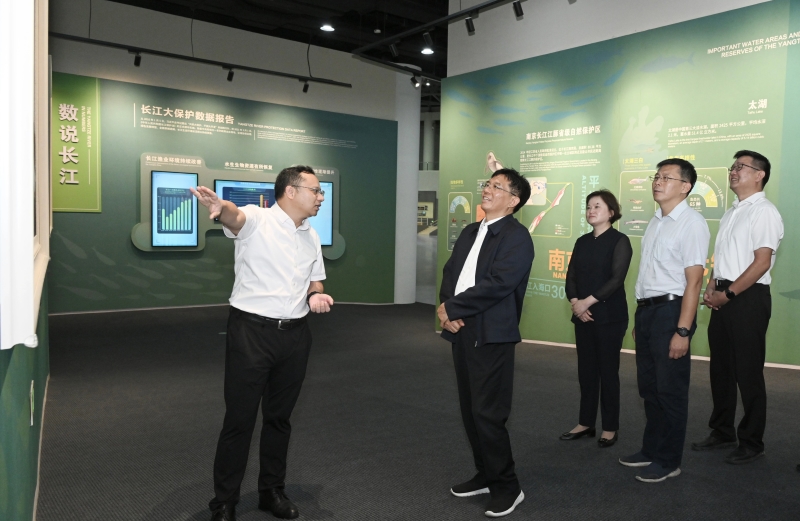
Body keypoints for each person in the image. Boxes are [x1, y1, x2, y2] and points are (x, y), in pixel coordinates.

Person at [190, 166, 334, 521]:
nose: (320, 197)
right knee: (239, 420)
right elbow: (234, 216)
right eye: (315, 190)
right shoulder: (258, 219)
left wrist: (316, 294)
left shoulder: (311, 235)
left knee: (279, 419)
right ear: (290, 191)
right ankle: (224, 502)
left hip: (295, 336)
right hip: (251, 334)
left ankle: (272, 491)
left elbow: (315, 280)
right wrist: (221, 208)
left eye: (321, 192)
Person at [438, 168, 533, 518]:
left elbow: (499, 283)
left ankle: (507, 486)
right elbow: (451, 273)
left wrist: (453, 307)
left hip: (491, 334)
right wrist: (447, 308)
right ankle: (486, 474)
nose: (488, 189)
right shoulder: (470, 231)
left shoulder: (517, 237)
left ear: (513, 200)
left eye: (497, 186)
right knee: (469, 409)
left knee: (488, 413)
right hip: (462, 329)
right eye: (488, 184)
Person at [618, 158, 709, 483]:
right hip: (648, 313)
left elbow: (693, 283)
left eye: (667, 177)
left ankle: (669, 460)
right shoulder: (656, 221)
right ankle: (651, 449)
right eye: (656, 176)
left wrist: (682, 331)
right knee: (649, 388)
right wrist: (641, 317)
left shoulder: (692, 223)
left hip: (672, 313)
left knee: (670, 390)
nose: (658, 182)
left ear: (685, 187)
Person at [692, 150, 783, 464]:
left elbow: (761, 263)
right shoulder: (732, 212)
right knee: (721, 368)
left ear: (759, 175)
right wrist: (712, 285)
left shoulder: (764, 211)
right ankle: (722, 431)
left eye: (740, 167)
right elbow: (724, 258)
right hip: (724, 292)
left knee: (748, 371)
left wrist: (727, 294)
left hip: (748, 298)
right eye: (732, 166)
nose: (733, 171)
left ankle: (752, 441)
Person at [561, 190, 632, 448]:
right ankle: (586, 423)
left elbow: (616, 279)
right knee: (586, 371)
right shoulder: (582, 241)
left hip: (609, 316)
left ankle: (610, 427)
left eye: (597, 206)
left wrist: (586, 302)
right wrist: (575, 303)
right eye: (588, 206)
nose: (591, 211)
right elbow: (571, 276)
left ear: (611, 212)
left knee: (608, 372)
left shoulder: (620, 241)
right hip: (583, 316)